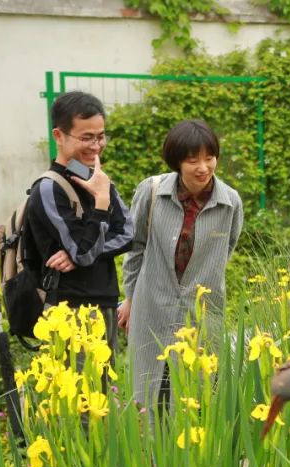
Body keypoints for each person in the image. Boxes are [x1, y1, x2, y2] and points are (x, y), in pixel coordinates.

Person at [121, 120, 243, 408]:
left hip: (201, 313)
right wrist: (129, 297)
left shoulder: (230, 203)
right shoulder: (151, 192)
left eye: (209, 158)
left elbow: (224, 251)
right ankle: (154, 454)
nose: (203, 167)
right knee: (152, 395)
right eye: (193, 160)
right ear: (177, 162)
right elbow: (135, 247)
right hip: (152, 305)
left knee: (193, 398)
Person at [26, 91, 133, 354]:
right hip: (69, 310)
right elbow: (84, 251)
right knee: (79, 393)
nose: (96, 146)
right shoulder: (49, 188)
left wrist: (80, 255)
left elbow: (129, 234)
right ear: (59, 136)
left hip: (105, 302)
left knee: (103, 392)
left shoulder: (98, 180)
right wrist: (100, 204)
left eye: (100, 136)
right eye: (86, 137)